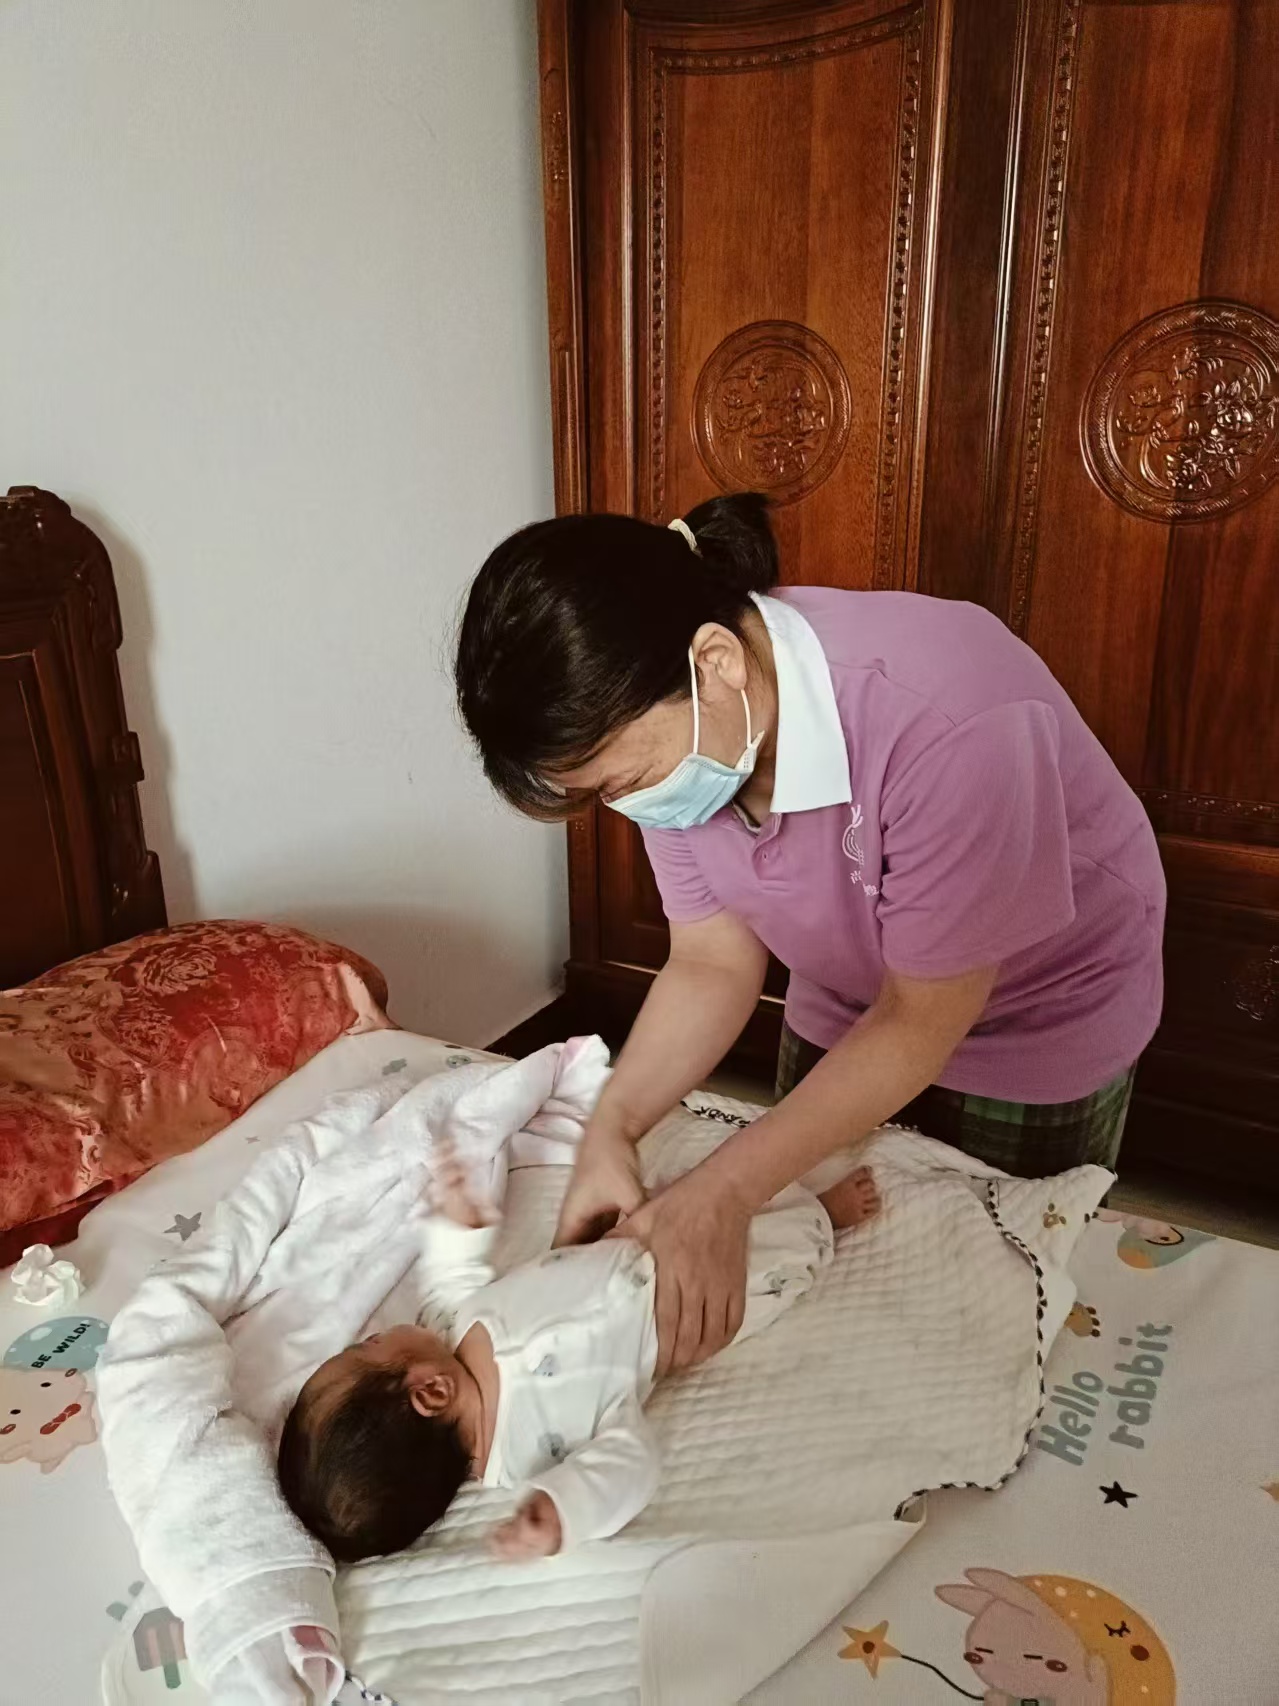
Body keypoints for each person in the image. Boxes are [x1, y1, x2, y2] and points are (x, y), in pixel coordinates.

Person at [452, 493, 1166, 1376]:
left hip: (1039, 1006)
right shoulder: (678, 738)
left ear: (714, 662)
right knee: (826, 1255)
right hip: (849, 987)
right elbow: (710, 961)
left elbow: (919, 1019)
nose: (626, 805)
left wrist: (722, 1188)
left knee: (994, 1289)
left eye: (622, 782)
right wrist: (615, 1124)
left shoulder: (945, 716)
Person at [276, 1154, 881, 1563]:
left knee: (710, 1182)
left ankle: (773, 1170)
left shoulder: (452, 1332)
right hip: (693, 1302)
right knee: (775, 1255)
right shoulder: (530, 1450)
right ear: (429, 1393)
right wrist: (567, 1508)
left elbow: (450, 1279)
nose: (374, 1332)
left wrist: (454, 1221)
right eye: (365, 1348)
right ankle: (826, 1215)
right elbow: (628, 1460)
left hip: (634, 1238)